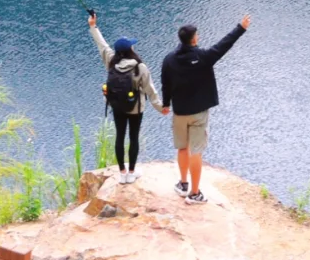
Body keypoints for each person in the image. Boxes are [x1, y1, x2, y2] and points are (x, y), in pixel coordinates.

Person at [160, 15, 250, 204]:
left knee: (182, 147)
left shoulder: (169, 60)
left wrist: (166, 104)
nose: (198, 37)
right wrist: (240, 28)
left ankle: (183, 184)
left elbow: (165, 84)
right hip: (199, 113)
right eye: (197, 35)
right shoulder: (203, 57)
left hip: (179, 112)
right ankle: (194, 193)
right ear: (193, 39)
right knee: (196, 151)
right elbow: (224, 44)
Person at [88, 13, 165, 184]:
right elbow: (150, 90)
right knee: (134, 137)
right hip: (136, 109)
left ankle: (122, 174)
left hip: (117, 106)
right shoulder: (140, 67)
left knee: (120, 136)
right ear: (131, 50)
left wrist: (93, 26)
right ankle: (131, 172)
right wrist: (161, 107)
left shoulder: (111, 61)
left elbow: (101, 45)